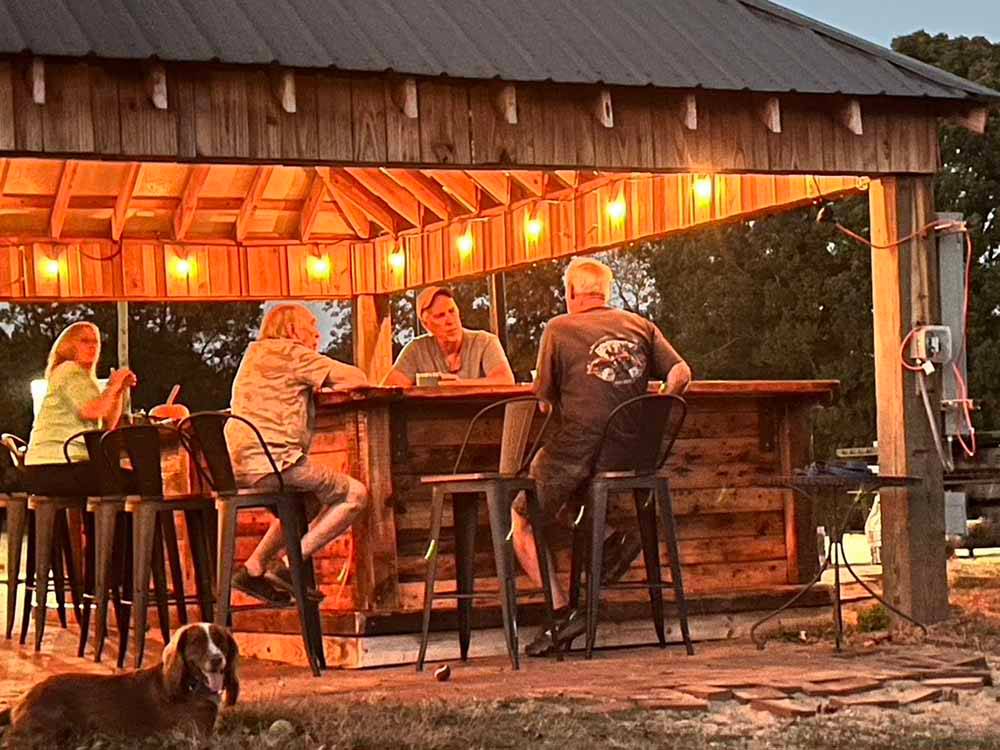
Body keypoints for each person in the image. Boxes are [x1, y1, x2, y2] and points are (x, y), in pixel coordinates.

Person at [511, 257, 692, 656]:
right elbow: (681, 372)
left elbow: (542, 400)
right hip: (631, 455)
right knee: (576, 494)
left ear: (571, 294)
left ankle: (562, 614)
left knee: (521, 518)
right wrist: (658, 405)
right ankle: (611, 538)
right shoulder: (641, 326)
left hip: (579, 451)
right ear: (606, 293)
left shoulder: (559, 328)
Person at [226, 304, 370, 605]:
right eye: (311, 325)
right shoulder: (292, 353)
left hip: (238, 465)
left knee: (308, 501)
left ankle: (253, 569)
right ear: (292, 330)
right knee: (356, 494)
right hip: (274, 462)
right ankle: (290, 566)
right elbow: (358, 378)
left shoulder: (253, 356)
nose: (317, 332)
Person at [24, 322, 136, 496]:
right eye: (84, 341)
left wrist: (118, 390)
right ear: (68, 345)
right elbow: (90, 411)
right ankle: (113, 523)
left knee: (121, 481)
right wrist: (112, 387)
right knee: (133, 483)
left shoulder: (83, 379)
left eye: (96, 342)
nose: (92, 346)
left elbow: (107, 425)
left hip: (60, 466)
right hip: (54, 465)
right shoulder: (68, 370)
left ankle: (103, 522)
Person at [382, 286, 515, 387]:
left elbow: (506, 380)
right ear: (426, 325)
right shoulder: (416, 350)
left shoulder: (485, 342)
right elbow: (388, 390)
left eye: (452, 311)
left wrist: (461, 385)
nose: (450, 320)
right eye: (440, 316)